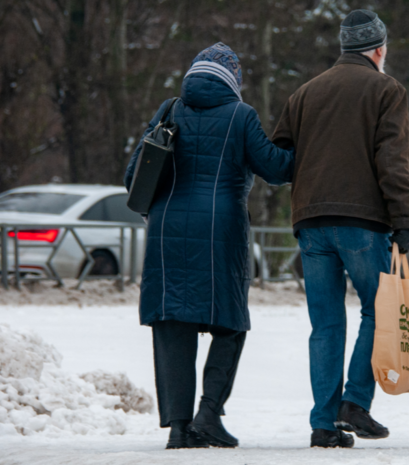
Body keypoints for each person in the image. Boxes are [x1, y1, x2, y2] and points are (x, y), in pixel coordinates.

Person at [124, 42, 294, 450]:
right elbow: (274, 168)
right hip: (221, 228)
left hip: (166, 229)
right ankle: (209, 415)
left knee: (172, 324)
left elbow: (134, 176)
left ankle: (179, 428)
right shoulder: (241, 115)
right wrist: (305, 144)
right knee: (230, 322)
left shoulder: (169, 109)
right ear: (233, 79)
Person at [272, 10, 409, 448]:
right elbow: (392, 161)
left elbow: (279, 158)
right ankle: (354, 402)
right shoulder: (386, 90)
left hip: (311, 224)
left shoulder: (304, 93)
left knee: (326, 325)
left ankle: (322, 424)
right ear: (378, 49)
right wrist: (405, 217)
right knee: (380, 310)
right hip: (361, 223)